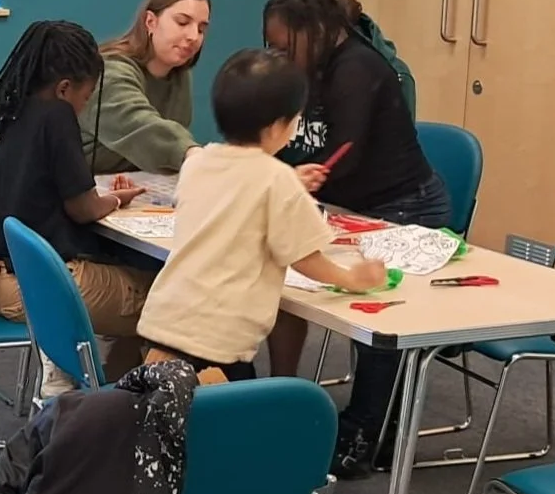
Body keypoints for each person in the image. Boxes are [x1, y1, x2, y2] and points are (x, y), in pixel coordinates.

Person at [261, 0, 452, 475]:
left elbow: (339, 158)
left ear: (317, 31)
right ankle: (297, 401)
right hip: (352, 209)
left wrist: (276, 183)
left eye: (286, 47)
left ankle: (367, 432)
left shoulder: (357, 69)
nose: (280, 57)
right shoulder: (309, 67)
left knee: (377, 319)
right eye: (272, 48)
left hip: (403, 208)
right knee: (297, 282)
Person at [137, 49, 388, 383]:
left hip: (164, 321)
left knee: (166, 404)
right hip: (217, 340)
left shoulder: (198, 162)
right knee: (228, 412)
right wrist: (352, 278)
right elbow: (305, 257)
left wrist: (290, 183)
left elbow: (236, 193)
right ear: (277, 127)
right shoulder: (276, 179)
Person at [0, 20, 153, 390]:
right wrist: (116, 199)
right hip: (41, 285)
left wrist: (17, 190)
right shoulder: (57, 115)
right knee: (167, 297)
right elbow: (83, 208)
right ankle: (102, 390)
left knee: (124, 288)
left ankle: (96, 380)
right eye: (86, 97)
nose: (83, 107)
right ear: (64, 89)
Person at [81, 0, 211, 175]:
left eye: (201, 29)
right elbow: (138, 125)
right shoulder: (109, 71)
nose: (193, 36)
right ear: (150, 21)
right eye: (182, 22)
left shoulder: (180, 76)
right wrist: (192, 153)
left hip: (132, 182)